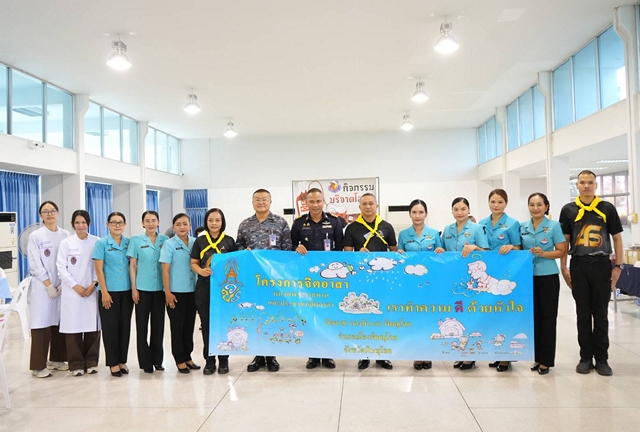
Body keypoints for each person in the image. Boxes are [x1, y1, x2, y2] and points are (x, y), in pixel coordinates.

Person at [559, 170, 624, 376]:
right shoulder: (568, 210)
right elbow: (565, 240)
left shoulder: (607, 208)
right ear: (577, 185)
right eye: (582, 182)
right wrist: (564, 267)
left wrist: (618, 266)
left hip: (602, 264)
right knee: (583, 313)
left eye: (590, 182)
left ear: (595, 185)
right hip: (579, 265)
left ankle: (602, 358)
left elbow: (617, 238)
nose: (586, 185)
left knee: (601, 313)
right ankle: (585, 357)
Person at [237, 189, 292, 372]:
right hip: (253, 279)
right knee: (255, 315)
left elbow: (287, 250)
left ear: (270, 201)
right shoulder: (245, 224)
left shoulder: (280, 223)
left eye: (264, 199)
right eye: (257, 199)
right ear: (252, 202)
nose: (261, 202)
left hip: (273, 280)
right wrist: (244, 252)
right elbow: (238, 247)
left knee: (272, 314)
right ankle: (258, 355)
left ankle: (271, 355)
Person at [291, 188, 343, 370]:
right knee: (309, 314)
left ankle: (328, 354)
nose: (315, 205)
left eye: (318, 201)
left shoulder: (335, 222)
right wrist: (296, 248)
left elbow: (340, 249)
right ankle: (313, 354)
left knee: (328, 314)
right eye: (311, 201)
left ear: (323, 201)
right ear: (306, 203)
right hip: (307, 278)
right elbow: (291, 246)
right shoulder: (298, 223)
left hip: (329, 278)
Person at [344, 193, 397, 370]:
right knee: (363, 316)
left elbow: (394, 251)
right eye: (364, 204)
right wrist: (357, 255)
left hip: (383, 279)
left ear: (377, 206)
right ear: (359, 207)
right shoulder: (352, 228)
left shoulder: (387, 226)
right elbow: (347, 254)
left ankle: (383, 355)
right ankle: (364, 355)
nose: (368, 206)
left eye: (371, 203)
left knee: (383, 315)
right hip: (361, 279)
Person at [438, 197, 489, 370]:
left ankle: (471, 355)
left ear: (469, 210)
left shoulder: (477, 229)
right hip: (452, 280)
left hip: (471, 281)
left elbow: (488, 253)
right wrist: (440, 250)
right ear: (452, 211)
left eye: (463, 209)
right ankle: (460, 352)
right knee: (456, 315)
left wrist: (475, 248)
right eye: (456, 209)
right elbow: (444, 251)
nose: (459, 212)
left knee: (470, 315)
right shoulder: (448, 229)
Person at [520, 193, 567, 375]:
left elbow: (562, 251)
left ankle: (546, 361)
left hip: (548, 276)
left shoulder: (554, 226)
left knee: (547, 318)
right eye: (532, 204)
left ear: (546, 206)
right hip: (527, 277)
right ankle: (537, 357)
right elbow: (519, 249)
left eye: (539, 204)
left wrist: (544, 253)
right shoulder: (523, 227)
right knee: (534, 318)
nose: (535, 208)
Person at [478, 189, 521, 372]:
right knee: (491, 314)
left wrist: (511, 246)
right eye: (493, 201)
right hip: (488, 276)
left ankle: (506, 357)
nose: (496, 205)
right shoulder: (481, 224)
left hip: (506, 275)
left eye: (500, 202)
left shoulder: (512, 223)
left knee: (505, 313)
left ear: (506, 204)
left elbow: (519, 247)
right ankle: (496, 352)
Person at [27, 201, 71, 378]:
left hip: (62, 286)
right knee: (41, 324)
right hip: (43, 288)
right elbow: (35, 263)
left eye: (52, 211)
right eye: (45, 211)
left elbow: (68, 260)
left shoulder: (65, 234)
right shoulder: (36, 236)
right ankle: (38, 365)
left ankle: (57, 359)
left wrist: (62, 284)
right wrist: (48, 285)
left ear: (58, 213)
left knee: (59, 323)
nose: (49, 214)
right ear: (41, 215)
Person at [191, 208, 237, 375]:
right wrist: (201, 271)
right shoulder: (200, 241)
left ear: (222, 222)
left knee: (224, 323)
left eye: (217, 220)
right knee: (207, 325)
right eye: (210, 220)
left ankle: (224, 359)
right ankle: (209, 360)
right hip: (204, 287)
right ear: (206, 222)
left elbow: (237, 262)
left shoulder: (229, 241)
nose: (214, 223)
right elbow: (194, 262)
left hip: (225, 289)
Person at [397, 199, 441, 371]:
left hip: (430, 284)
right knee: (414, 319)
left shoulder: (435, 234)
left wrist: (441, 251)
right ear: (410, 214)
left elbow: (443, 258)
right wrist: (398, 254)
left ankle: (428, 354)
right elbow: (399, 259)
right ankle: (416, 354)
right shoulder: (403, 234)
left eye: (421, 212)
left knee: (428, 318)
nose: (417, 215)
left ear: (426, 214)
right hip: (411, 284)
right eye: (414, 212)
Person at [57, 210, 101, 377]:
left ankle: (91, 362)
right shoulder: (66, 243)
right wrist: (74, 285)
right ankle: (76, 364)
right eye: (77, 222)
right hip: (72, 293)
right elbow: (61, 268)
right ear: (72, 224)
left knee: (92, 328)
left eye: (83, 222)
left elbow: (100, 266)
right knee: (73, 328)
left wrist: (94, 284)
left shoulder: (97, 242)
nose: (80, 225)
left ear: (89, 223)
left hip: (92, 290)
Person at [126, 211, 169, 373]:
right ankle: (145, 362)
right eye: (147, 221)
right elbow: (132, 266)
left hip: (159, 289)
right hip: (142, 289)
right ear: (142, 223)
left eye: (153, 220)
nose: (151, 223)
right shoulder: (136, 240)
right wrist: (134, 288)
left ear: (158, 222)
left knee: (158, 327)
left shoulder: (165, 240)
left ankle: (158, 360)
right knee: (142, 327)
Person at [92, 212, 133, 377]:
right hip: (109, 292)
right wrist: (104, 292)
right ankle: (113, 363)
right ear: (107, 224)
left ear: (125, 225)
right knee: (110, 328)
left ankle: (122, 361)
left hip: (127, 291)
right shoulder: (101, 243)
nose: (117, 225)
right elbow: (98, 269)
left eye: (120, 222)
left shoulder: (129, 243)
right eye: (114, 222)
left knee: (125, 327)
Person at [160, 213, 199, 374]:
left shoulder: (196, 242)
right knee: (177, 327)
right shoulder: (169, 244)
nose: (182, 227)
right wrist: (167, 292)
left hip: (193, 291)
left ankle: (188, 356)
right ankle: (179, 359)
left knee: (189, 326)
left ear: (190, 226)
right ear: (173, 227)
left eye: (185, 224)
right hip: (175, 292)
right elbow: (165, 270)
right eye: (178, 224)